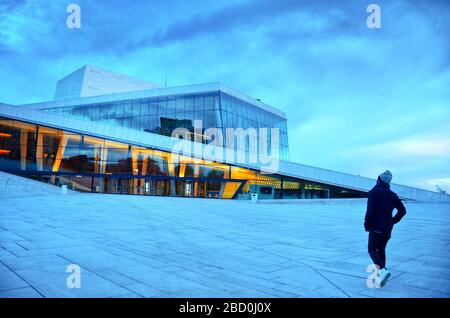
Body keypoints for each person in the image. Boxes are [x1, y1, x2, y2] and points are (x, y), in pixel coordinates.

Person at [364, 170, 406, 287]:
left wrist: (367, 225)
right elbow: (403, 211)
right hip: (387, 228)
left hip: (376, 227)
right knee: (381, 250)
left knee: (372, 249)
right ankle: (380, 277)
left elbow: (370, 211)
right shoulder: (393, 195)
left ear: (378, 179)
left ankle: (382, 270)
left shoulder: (374, 192)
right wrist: (393, 221)